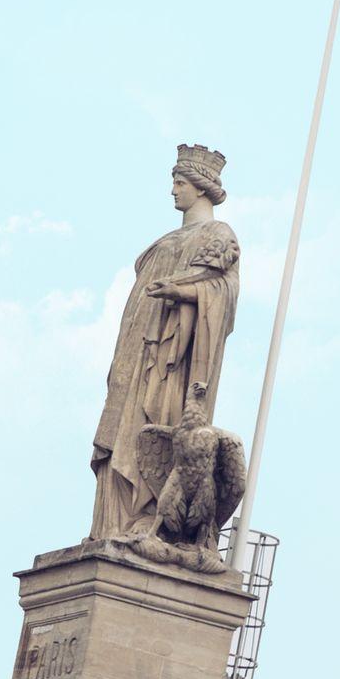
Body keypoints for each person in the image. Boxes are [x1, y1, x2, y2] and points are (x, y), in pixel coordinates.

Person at [88, 145, 241, 542]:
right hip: (138, 353)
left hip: (169, 359)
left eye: (179, 183)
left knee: (153, 426)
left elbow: (221, 292)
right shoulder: (165, 240)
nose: (173, 191)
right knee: (123, 428)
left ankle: (147, 515)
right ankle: (113, 524)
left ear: (201, 188)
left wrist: (182, 292)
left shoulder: (218, 235)